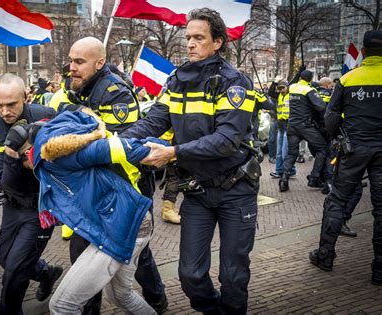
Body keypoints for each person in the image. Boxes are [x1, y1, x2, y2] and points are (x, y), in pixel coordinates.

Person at [121, 8, 260, 313]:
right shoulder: (177, 79)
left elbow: (226, 141)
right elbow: (153, 122)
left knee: (233, 276)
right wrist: (115, 142)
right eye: (188, 38)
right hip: (197, 192)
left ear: (218, 42)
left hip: (236, 191)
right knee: (190, 275)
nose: (190, 44)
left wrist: (173, 153)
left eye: (199, 37)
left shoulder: (235, 82)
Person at [49, 37, 168, 314]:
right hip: (94, 189)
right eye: (70, 60)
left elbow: (113, 147)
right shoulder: (77, 87)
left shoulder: (115, 93)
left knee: (139, 255)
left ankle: (157, 301)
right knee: (83, 253)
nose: (71, 67)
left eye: (79, 62)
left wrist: (69, 143)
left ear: (100, 62)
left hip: (124, 188)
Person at [32, 109, 166, 314]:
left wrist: (166, 151)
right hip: (126, 221)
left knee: (61, 305)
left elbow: (114, 147)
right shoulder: (54, 159)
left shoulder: (59, 158)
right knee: (121, 295)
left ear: (30, 152)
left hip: (123, 225)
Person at [0, 74, 62, 314]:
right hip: (13, 206)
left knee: (14, 270)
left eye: (11, 104)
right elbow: (6, 182)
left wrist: (32, 157)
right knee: (5, 259)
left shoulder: (47, 114)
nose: (4, 111)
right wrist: (12, 155)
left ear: (26, 96)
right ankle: (46, 272)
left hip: (42, 206)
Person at [309, 30, 382, 287]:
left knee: (337, 200)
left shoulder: (349, 78)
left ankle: (325, 256)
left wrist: (340, 135)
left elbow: (330, 118)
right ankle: (379, 270)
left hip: (354, 149)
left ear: (363, 51)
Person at [279, 70, 328, 192]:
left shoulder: (292, 87)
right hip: (305, 126)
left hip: (292, 125)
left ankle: (284, 179)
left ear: (300, 77)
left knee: (292, 153)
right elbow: (321, 107)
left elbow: (291, 82)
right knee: (322, 149)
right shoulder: (309, 90)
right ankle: (314, 177)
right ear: (310, 80)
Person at [268, 79, 296, 178]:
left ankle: (290, 170)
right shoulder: (279, 95)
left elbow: (294, 82)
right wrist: (275, 82)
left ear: (288, 87)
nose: (281, 90)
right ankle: (279, 171)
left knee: (285, 152)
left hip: (288, 126)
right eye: (279, 88)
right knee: (279, 152)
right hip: (281, 126)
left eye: (283, 88)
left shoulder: (292, 95)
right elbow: (270, 92)